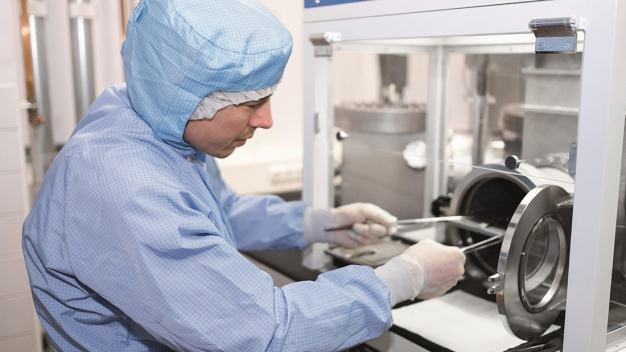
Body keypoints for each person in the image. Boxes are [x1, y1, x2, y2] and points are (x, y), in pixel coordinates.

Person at [22, 0, 465, 351]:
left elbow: (218, 211)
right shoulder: (124, 184)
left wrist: (319, 223)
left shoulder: (153, 121)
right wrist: (404, 277)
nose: (267, 120)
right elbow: (265, 334)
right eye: (253, 103)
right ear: (190, 98)